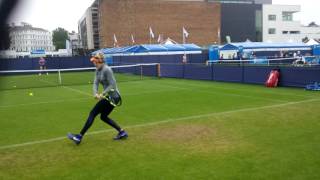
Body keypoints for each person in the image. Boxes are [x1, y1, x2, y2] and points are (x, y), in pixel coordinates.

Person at [67, 54, 128, 145]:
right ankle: (122, 132)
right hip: (109, 97)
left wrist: (102, 94)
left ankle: (79, 136)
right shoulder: (97, 70)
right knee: (103, 117)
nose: (93, 63)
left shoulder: (107, 70)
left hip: (114, 97)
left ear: (100, 61)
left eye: (94, 61)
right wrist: (95, 93)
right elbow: (95, 83)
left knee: (93, 113)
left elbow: (113, 85)